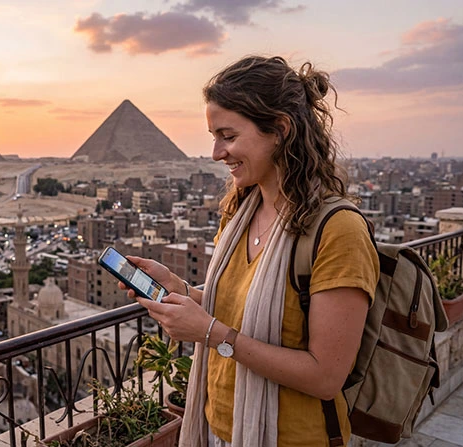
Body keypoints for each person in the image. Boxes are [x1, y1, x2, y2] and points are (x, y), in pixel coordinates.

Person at [119, 56, 380, 447]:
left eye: (228, 135)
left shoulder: (338, 231)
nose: (215, 152)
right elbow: (241, 309)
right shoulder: (240, 211)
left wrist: (207, 332)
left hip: (291, 437)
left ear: (279, 129)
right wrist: (183, 292)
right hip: (218, 426)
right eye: (214, 136)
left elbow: (326, 377)